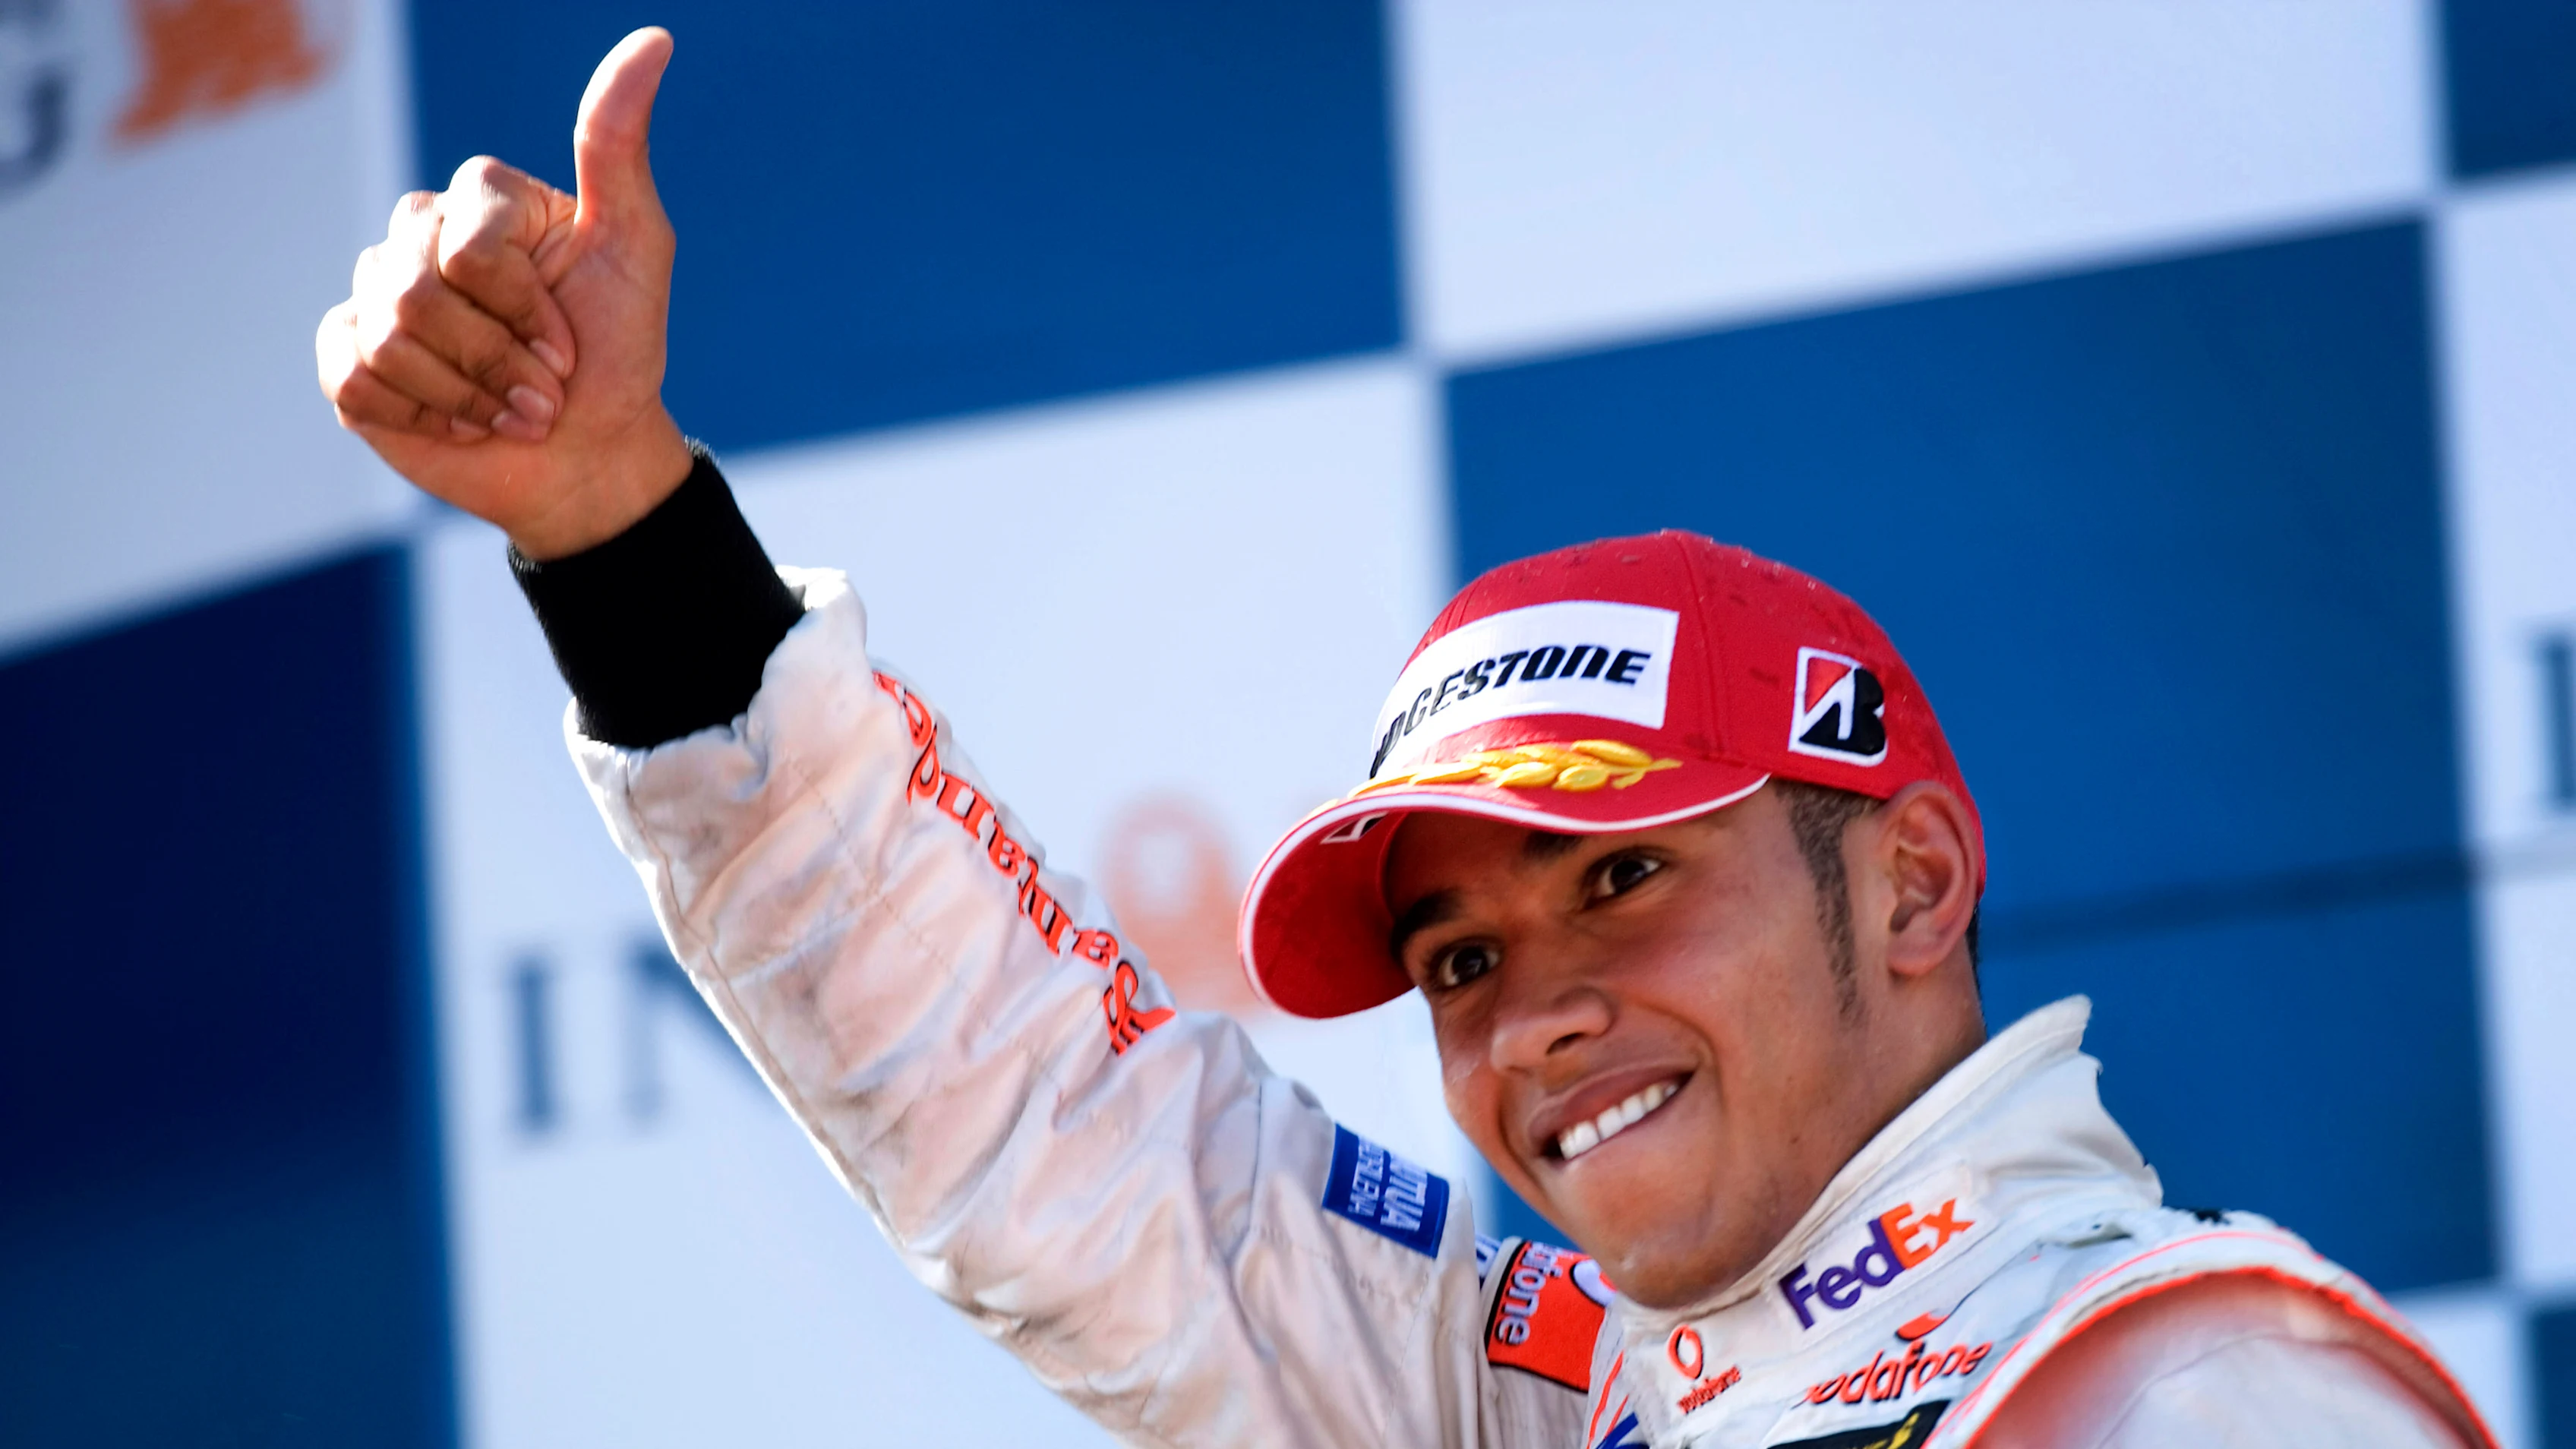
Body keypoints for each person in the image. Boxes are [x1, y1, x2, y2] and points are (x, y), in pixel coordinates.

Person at [317, 30, 2500, 1449]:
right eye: (1457, 957)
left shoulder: (2190, 1383)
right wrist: (618, 533)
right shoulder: (1555, 1399)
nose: (1539, 1007)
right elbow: (1039, 1128)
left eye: (1623, 873)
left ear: (1916, 879)